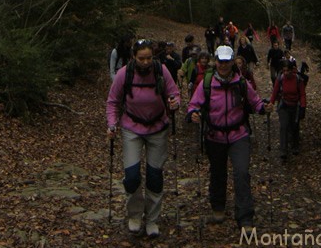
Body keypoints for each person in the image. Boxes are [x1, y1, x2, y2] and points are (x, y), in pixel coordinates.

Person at [187, 44, 272, 230]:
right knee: (217, 172)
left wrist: (263, 108)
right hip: (214, 135)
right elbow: (194, 104)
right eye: (220, 61)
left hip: (238, 134)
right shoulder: (207, 83)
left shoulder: (241, 82)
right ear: (215, 61)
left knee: (242, 172)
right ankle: (218, 208)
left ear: (232, 62)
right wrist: (193, 113)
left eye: (226, 61)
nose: (223, 65)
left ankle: (245, 216)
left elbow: (255, 102)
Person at [106, 38, 180, 237]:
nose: (146, 62)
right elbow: (113, 102)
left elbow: (174, 93)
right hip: (132, 128)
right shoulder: (124, 74)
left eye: (149, 58)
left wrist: (175, 103)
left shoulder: (161, 71)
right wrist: (112, 124)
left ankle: (152, 219)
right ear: (133, 57)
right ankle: (135, 215)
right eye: (141, 58)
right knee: (131, 177)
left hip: (158, 127)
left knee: (155, 176)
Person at [269, 58, 306, 162]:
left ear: (291, 70)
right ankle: (283, 150)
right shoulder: (281, 78)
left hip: (295, 106)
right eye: (284, 71)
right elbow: (275, 91)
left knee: (294, 126)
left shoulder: (298, 79)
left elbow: (302, 94)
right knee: (284, 126)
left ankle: (295, 145)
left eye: (287, 71)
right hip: (284, 105)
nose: (285, 73)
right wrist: (271, 103)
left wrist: (303, 107)